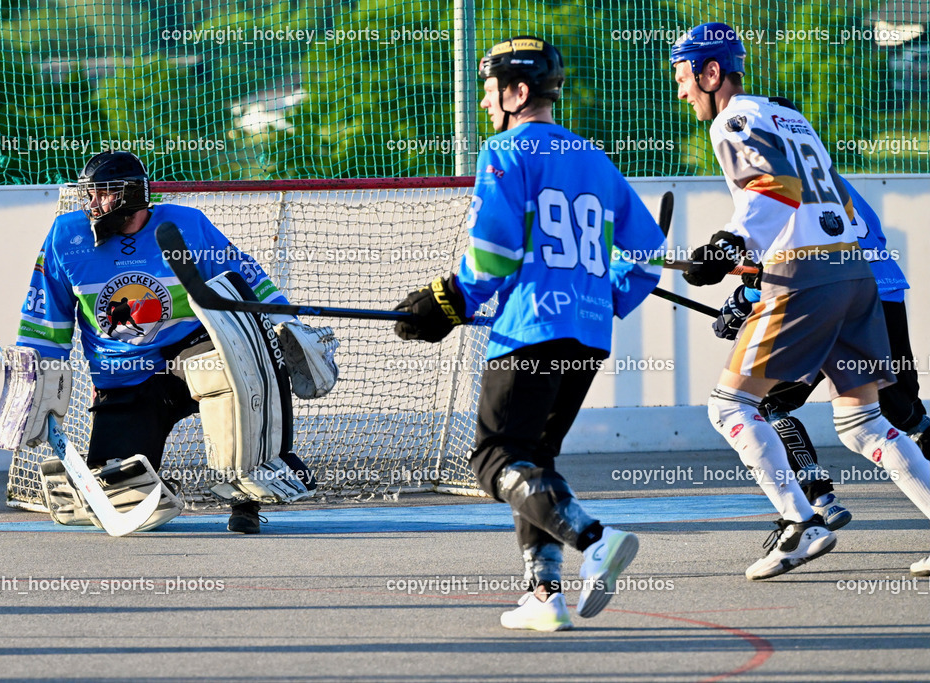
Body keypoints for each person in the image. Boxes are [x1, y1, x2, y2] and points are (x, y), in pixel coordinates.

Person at [395, 36, 665, 631]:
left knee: (493, 458)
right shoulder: (594, 158)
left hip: (529, 331)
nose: (486, 103)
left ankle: (594, 539)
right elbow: (648, 253)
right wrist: (606, 299)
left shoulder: (506, 150)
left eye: (491, 91)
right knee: (532, 461)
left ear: (518, 93)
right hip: (588, 336)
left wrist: (450, 300)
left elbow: (492, 251)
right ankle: (545, 596)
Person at [671, 22, 930, 579]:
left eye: (683, 76)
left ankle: (800, 522)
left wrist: (730, 243)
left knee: (729, 407)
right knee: (863, 423)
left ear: (711, 72)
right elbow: (830, 204)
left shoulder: (731, 119)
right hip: (852, 269)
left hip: (807, 276)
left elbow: (774, 190)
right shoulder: (790, 118)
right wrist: (747, 265)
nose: (682, 90)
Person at [0, 150, 333, 533]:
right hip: (123, 375)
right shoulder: (66, 237)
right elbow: (46, 316)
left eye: (103, 193)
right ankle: (154, 486)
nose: (93, 204)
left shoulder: (186, 225)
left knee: (238, 365)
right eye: (89, 194)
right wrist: (34, 380)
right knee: (117, 489)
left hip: (190, 349)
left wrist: (283, 321)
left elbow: (245, 275)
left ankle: (247, 493)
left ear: (130, 194)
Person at [713, 176, 930, 531]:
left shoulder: (771, 173)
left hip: (823, 299)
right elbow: (870, 237)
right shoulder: (829, 175)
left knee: (766, 404)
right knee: (906, 415)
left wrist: (746, 298)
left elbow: (781, 256)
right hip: (882, 292)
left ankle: (819, 501)